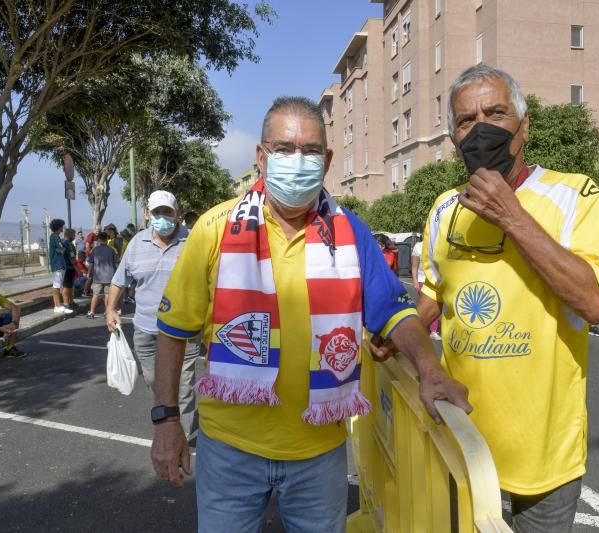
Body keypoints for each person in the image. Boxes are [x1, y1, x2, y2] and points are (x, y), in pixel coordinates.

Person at [151, 96, 470, 533]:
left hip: (319, 454)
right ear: (261, 157)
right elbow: (173, 331)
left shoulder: (351, 231)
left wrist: (429, 368)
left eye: (310, 150)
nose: (296, 161)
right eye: (284, 149)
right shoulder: (216, 228)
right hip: (229, 450)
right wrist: (167, 421)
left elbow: (395, 312)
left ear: (328, 159)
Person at [417, 64, 599, 532]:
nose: (480, 128)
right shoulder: (445, 209)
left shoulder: (577, 196)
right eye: (466, 121)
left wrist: (513, 217)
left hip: (544, 449)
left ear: (524, 125)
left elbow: (595, 304)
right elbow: (433, 294)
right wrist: (393, 333)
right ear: (453, 138)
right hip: (460, 437)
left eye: (496, 113)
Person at [106, 190, 201, 437]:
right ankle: (172, 426)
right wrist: (110, 309)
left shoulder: (194, 241)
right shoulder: (137, 243)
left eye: (167, 211)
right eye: (157, 212)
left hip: (183, 333)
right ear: (148, 215)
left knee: (182, 388)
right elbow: (119, 281)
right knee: (155, 383)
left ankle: (186, 438)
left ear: (177, 213)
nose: (162, 217)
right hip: (146, 331)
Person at [410, 234, 441, 341]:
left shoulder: (439, 245)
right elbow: (414, 266)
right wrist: (415, 281)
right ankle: (421, 329)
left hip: (436, 280)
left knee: (436, 305)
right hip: (422, 280)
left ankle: (432, 331)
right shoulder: (418, 247)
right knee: (425, 306)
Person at [86, 231, 118, 319]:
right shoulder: (112, 249)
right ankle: (106, 312)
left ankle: (92, 312)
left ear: (99, 239)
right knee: (107, 294)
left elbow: (91, 263)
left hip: (98, 276)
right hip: (110, 276)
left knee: (95, 294)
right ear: (107, 239)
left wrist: (89, 273)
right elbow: (116, 263)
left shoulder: (94, 250)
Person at [48, 219, 73, 314]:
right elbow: (60, 250)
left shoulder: (57, 237)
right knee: (56, 286)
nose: (63, 228)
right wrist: (63, 248)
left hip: (61, 264)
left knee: (59, 285)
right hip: (57, 264)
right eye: (62, 226)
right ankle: (57, 306)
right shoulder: (53, 236)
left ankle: (59, 305)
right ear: (58, 227)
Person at [62, 228, 78, 309]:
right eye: (74, 234)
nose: (75, 236)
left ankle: (71, 301)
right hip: (68, 268)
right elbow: (72, 259)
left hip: (68, 268)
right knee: (67, 286)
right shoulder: (68, 244)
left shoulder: (65, 243)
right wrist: (77, 269)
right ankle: (66, 303)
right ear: (69, 234)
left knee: (70, 286)